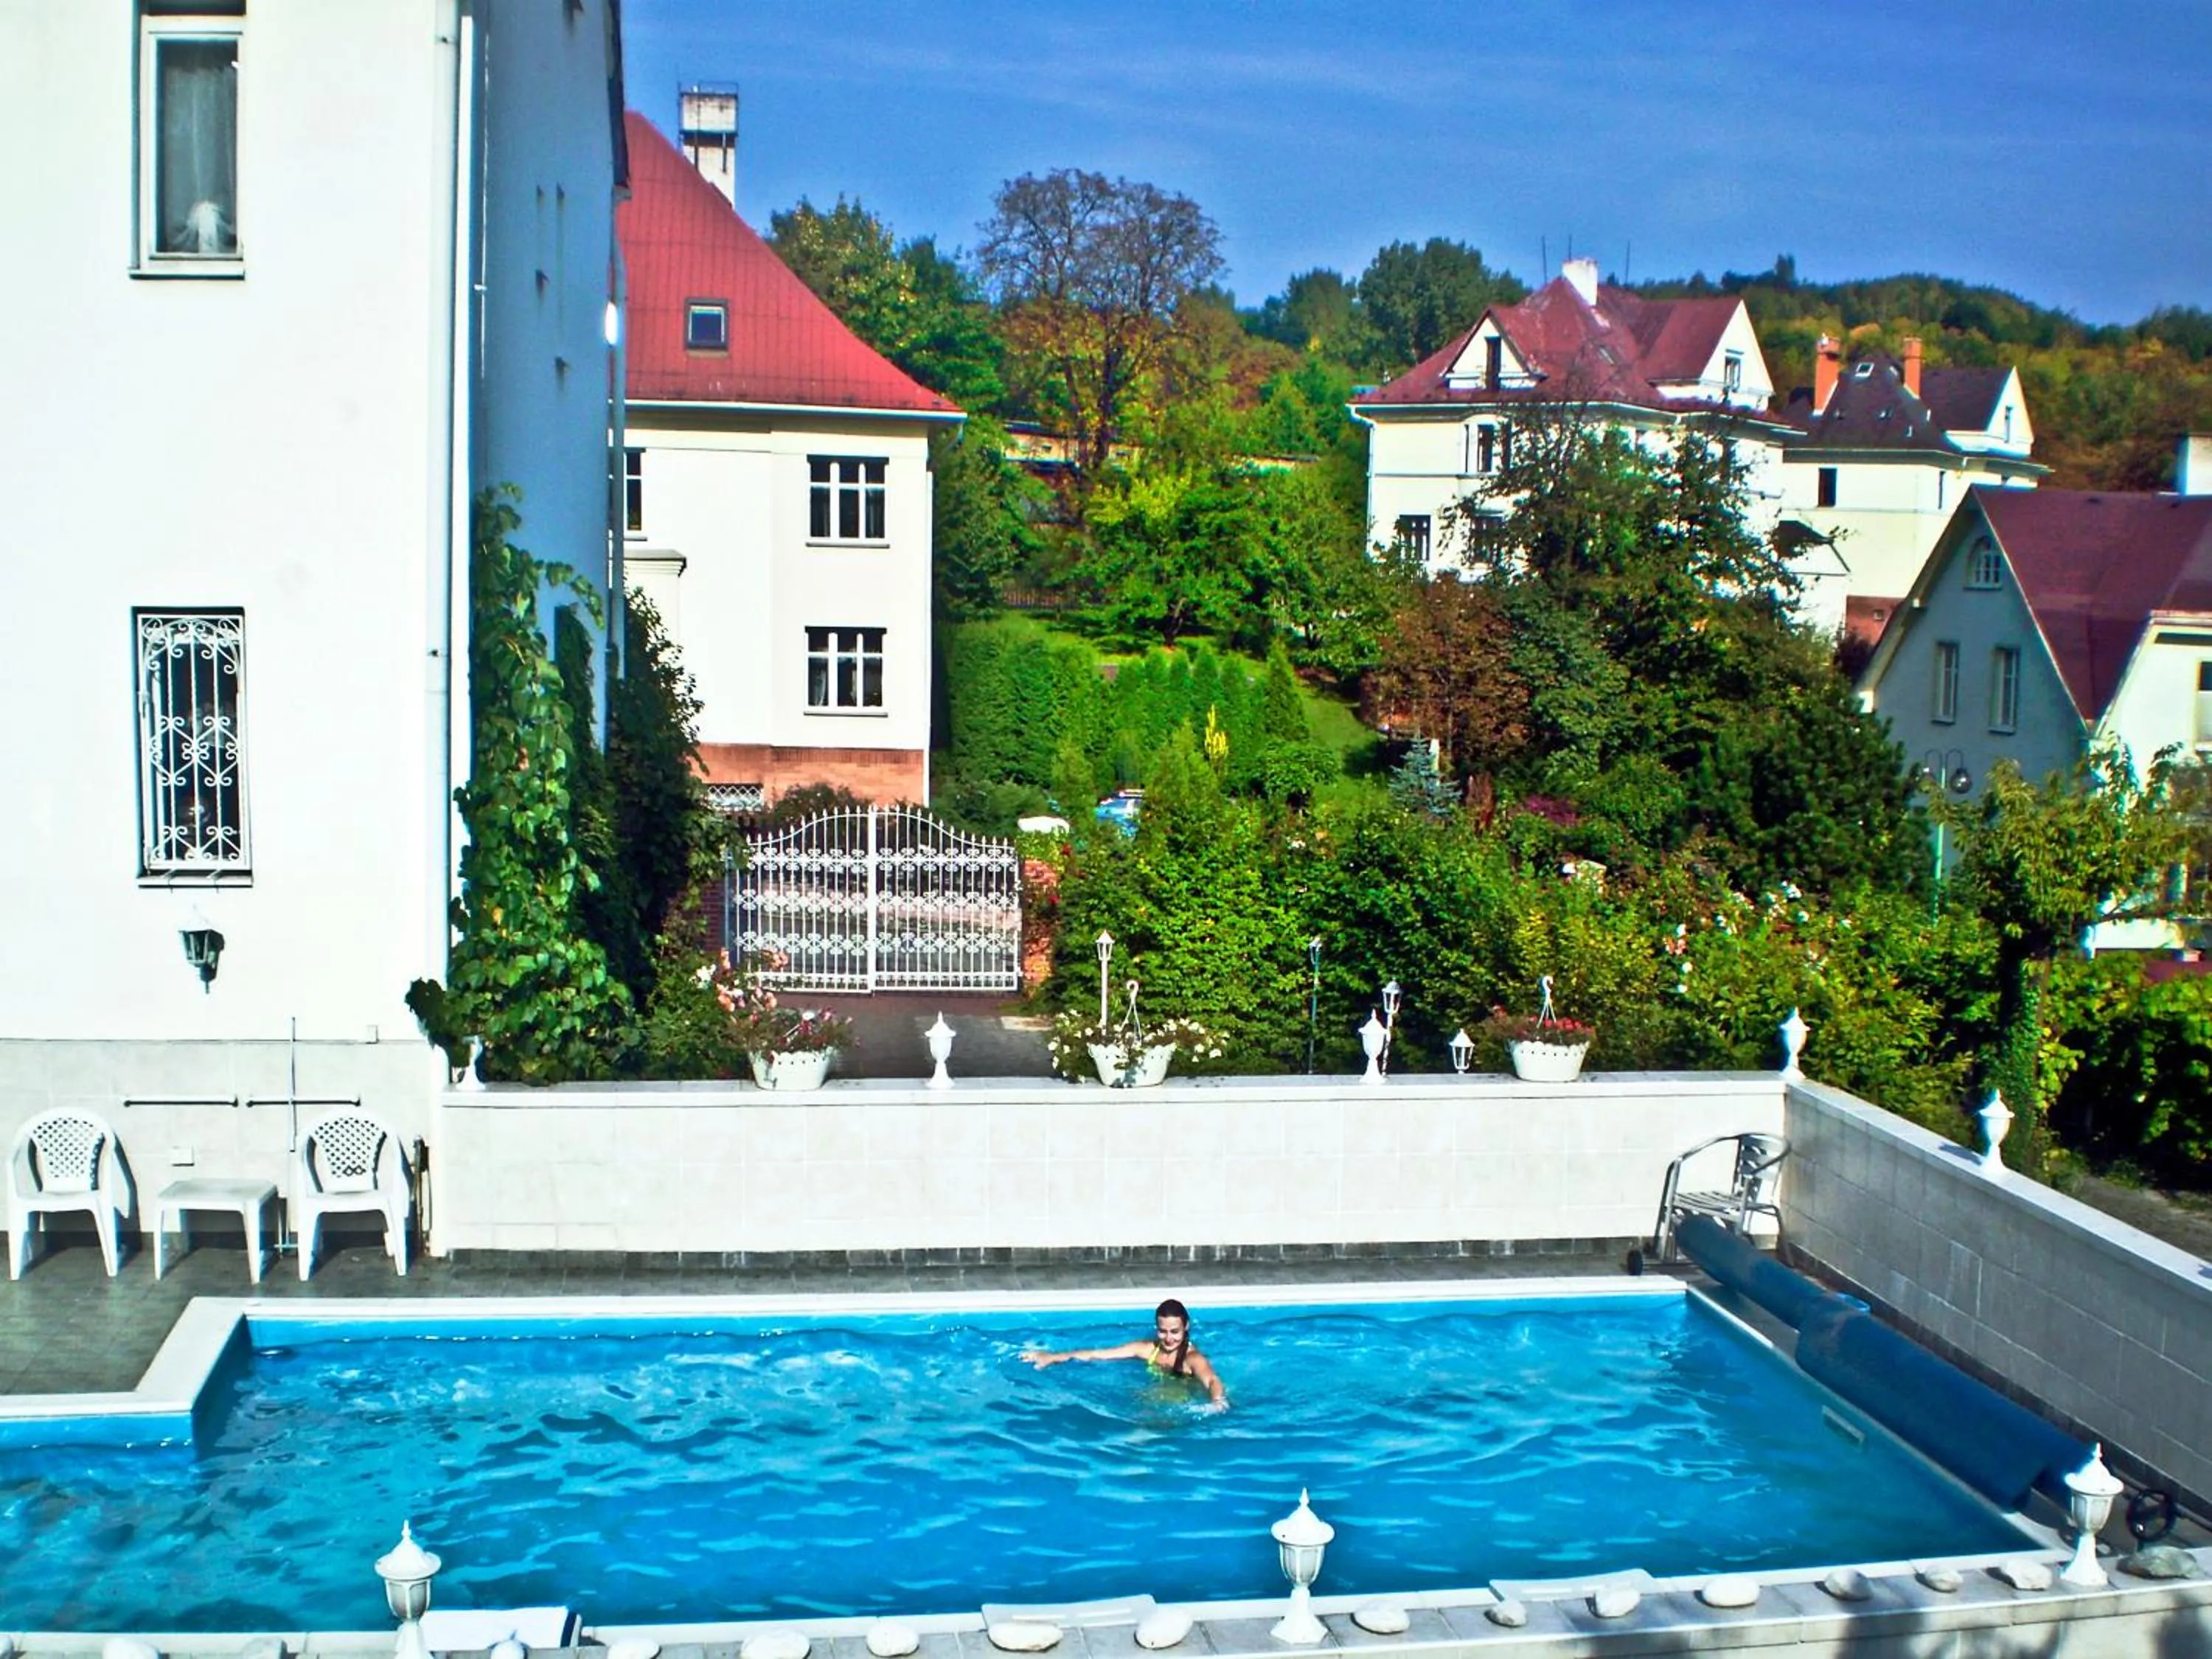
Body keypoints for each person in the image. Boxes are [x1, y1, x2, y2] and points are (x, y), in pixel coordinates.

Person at [1021, 1298, 1227, 1405]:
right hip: (1154, 1397)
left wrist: (1218, 1401)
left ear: (1186, 1328)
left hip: (1181, 1400)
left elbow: (1212, 1381)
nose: (1169, 1338)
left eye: (1175, 1331)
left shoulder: (1192, 1359)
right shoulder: (1147, 1349)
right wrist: (1052, 1357)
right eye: (1163, 1331)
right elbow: (1098, 1354)